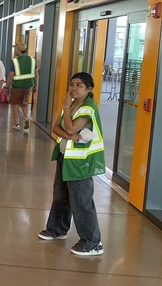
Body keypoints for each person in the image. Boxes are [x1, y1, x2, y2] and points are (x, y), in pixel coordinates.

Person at [38, 72, 105, 256]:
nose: (73, 88)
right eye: (72, 84)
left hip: (79, 162)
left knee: (81, 201)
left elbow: (69, 126)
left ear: (89, 89)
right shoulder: (73, 104)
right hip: (64, 156)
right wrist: (68, 134)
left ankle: (92, 242)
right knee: (61, 196)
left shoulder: (87, 107)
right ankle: (57, 229)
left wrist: (66, 109)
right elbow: (56, 127)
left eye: (79, 85)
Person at [6, 42, 39, 132]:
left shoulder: (15, 61)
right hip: (28, 85)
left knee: (15, 104)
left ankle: (17, 124)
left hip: (17, 85)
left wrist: (7, 86)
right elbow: (36, 75)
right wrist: (36, 86)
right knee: (25, 103)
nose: (14, 50)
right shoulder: (32, 60)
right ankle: (25, 118)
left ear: (19, 50)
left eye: (15, 49)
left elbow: (10, 75)